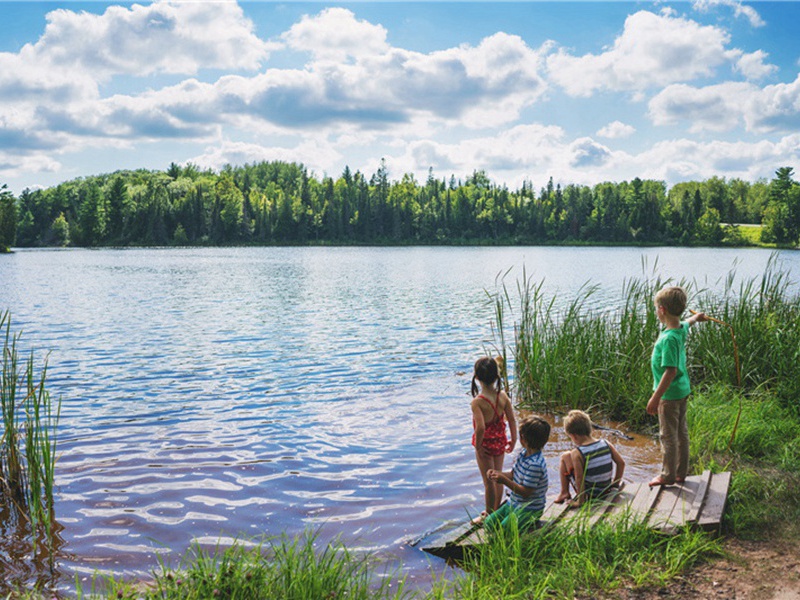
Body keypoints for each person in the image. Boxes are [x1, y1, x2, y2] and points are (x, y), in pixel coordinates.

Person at [646, 285, 708, 487]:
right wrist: (696, 318)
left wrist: (655, 398)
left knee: (668, 436)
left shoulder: (670, 338)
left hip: (670, 396)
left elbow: (670, 371)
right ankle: (681, 472)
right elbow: (687, 322)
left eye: (656, 308)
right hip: (682, 390)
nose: (656, 311)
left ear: (662, 310)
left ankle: (667, 475)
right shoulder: (679, 328)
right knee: (681, 433)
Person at [471, 356, 517, 521]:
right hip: (500, 442)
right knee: (497, 477)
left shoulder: (478, 402)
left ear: (477, 378)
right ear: (497, 376)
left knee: (488, 481)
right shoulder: (503, 396)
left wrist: (478, 446)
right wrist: (514, 439)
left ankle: (489, 514)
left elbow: (481, 427)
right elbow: (511, 419)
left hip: (485, 445)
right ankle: (496, 509)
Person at [485, 415, 550, 532]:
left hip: (529, 509)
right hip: (514, 503)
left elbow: (525, 492)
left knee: (505, 529)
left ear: (523, 438)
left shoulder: (535, 465)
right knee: (489, 523)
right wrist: (497, 474)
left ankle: (531, 524)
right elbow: (513, 474)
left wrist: (504, 481)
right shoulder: (523, 454)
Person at [554, 409, 625, 505]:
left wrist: (580, 501)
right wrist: (615, 484)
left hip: (590, 494)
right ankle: (565, 493)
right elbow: (621, 463)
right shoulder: (605, 443)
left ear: (574, 436)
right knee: (567, 455)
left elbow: (579, 478)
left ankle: (564, 492)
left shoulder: (577, 453)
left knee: (564, 457)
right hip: (606, 490)